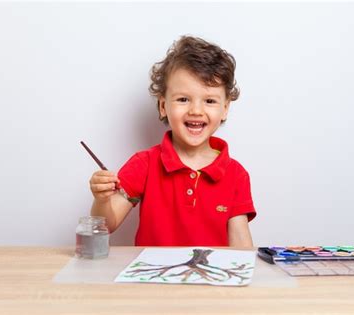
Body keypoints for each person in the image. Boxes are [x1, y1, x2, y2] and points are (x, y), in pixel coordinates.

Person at [89, 35, 256, 247]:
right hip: (152, 278)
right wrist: (102, 199)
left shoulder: (236, 174)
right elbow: (105, 225)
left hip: (210, 279)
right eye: (183, 99)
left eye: (210, 101)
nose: (196, 110)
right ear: (163, 106)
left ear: (225, 109)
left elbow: (242, 247)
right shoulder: (144, 163)